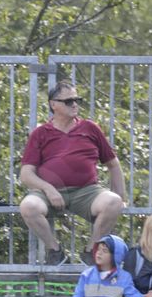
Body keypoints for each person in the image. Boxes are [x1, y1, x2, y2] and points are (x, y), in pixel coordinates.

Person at [19, 80, 125, 265]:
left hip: (87, 191)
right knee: (28, 206)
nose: (75, 104)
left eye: (77, 100)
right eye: (69, 101)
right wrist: (48, 189)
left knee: (114, 202)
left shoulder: (90, 128)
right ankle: (55, 252)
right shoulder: (40, 133)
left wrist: (121, 197)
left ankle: (91, 253)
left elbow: (113, 165)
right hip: (48, 192)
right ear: (54, 104)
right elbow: (26, 174)